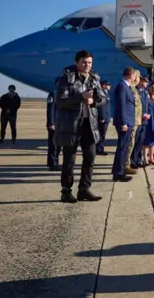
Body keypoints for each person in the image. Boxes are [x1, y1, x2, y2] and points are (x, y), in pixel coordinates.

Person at [54, 50, 106, 203]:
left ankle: (84, 189)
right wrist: (80, 97)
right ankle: (66, 191)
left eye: (89, 62)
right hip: (71, 124)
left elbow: (102, 99)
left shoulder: (94, 79)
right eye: (84, 62)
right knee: (69, 160)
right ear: (76, 62)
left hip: (89, 124)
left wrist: (94, 102)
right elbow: (61, 101)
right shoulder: (66, 79)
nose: (87, 65)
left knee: (90, 157)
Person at [111, 67, 137, 182]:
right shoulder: (122, 86)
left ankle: (118, 171)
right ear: (131, 75)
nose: (136, 78)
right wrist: (123, 123)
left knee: (124, 148)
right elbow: (121, 105)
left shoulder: (126, 87)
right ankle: (119, 173)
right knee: (122, 148)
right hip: (124, 122)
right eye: (135, 75)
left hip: (128, 122)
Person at [124, 71, 142, 173]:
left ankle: (128, 163)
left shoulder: (134, 88)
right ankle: (126, 165)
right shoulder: (129, 88)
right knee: (129, 144)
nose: (138, 78)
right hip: (132, 121)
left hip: (136, 121)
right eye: (137, 76)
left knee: (133, 143)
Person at [130, 76, 150, 168]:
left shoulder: (145, 93)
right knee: (135, 141)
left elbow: (147, 106)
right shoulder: (135, 91)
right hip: (138, 121)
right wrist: (141, 115)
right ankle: (132, 161)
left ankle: (138, 160)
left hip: (145, 121)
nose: (146, 84)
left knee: (140, 142)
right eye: (145, 82)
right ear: (141, 82)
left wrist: (149, 114)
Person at [46, 78, 62, 171]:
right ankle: (53, 164)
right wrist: (51, 123)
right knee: (53, 145)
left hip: (60, 123)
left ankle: (52, 162)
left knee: (58, 144)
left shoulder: (61, 94)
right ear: (56, 84)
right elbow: (50, 110)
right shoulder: (53, 93)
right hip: (54, 124)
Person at [96, 81, 111, 156]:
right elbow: (101, 106)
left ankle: (100, 148)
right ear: (104, 85)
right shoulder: (102, 93)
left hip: (106, 117)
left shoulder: (106, 93)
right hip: (103, 118)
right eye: (108, 85)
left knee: (103, 135)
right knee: (101, 134)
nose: (109, 86)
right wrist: (102, 117)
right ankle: (99, 149)